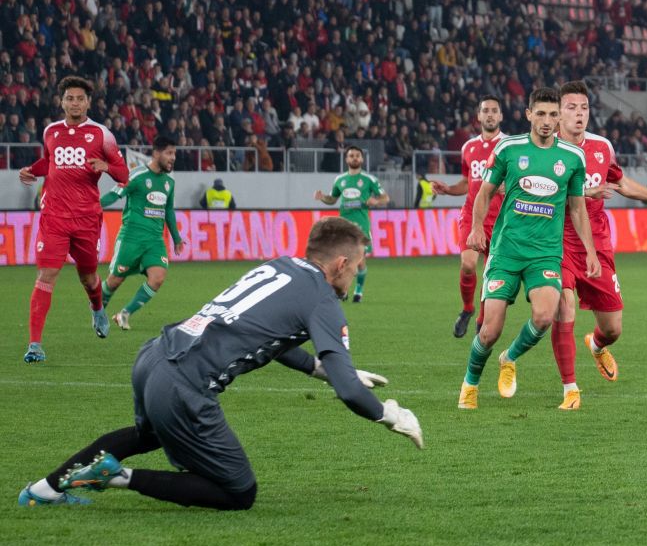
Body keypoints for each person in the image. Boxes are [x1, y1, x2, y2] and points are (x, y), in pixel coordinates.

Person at [17, 217, 422, 510]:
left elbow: (264, 335)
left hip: (155, 355)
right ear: (340, 264)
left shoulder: (279, 265)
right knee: (239, 491)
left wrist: (318, 368)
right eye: (358, 264)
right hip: (184, 382)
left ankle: (44, 489)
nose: (357, 273)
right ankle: (118, 476)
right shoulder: (322, 298)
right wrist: (389, 415)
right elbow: (349, 391)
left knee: (148, 435)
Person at [552, 81, 647, 409]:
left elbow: (622, 183)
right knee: (564, 307)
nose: (579, 114)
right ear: (557, 114)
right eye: (571, 108)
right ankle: (569, 388)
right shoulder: (546, 149)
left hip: (596, 245)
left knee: (613, 328)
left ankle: (597, 346)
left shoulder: (601, 147)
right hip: (555, 242)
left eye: (584, 107)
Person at [457, 87, 598, 410]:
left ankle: (510, 358)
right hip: (506, 251)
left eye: (553, 114)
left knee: (545, 316)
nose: (547, 121)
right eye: (541, 114)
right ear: (528, 114)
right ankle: (470, 383)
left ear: (559, 117)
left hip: (545, 253)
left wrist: (590, 250)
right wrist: (477, 228)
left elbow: (576, 208)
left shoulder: (573, 157)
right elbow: (485, 192)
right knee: (490, 330)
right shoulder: (509, 148)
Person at [18, 76, 130, 363]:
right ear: (62, 101)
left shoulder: (101, 134)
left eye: (80, 98)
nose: (75, 103)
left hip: (86, 219)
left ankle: (96, 308)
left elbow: (123, 173)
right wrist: (32, 169)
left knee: (88, 277)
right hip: (54, 216)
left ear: (88, 102)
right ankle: (34, 345)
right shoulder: (51, 131)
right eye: (70, 98)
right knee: (46, 276)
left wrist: (106, 166)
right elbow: (50, 161)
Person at [430, 96, 505, 338]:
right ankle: (467, 308)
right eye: (486, 111)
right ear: (479, 116)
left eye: (494, 111)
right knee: (468, 264)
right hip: (472, 215)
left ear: (501, 116)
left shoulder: (510, 146)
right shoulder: (469, 148)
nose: (490, 115)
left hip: (501, 219)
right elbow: (467, 182)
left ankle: (481, 319)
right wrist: (447, 189)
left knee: (489, 272)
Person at [99, 136, 186, 331]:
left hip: (154, 240)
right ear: (156, 153)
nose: (173, 158)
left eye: (174, 154)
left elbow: (168, 210)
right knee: (114, 281)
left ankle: (124, 314)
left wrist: (176, 238)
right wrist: (94, 206)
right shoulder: (137, 175)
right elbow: (115, 193)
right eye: (169, 153)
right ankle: (98, 311)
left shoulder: (168, 182)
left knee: (158, 277)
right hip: (131, 237)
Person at [313, 146, 389, 304]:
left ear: (361, 159)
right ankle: (343, 290)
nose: (354, 158)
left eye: (357, 156)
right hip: (344, 227)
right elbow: (333, 199)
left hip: (361, 227)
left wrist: (376, 201)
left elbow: (385, 198)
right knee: (342, 261)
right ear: (346, 159)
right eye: (351, 156)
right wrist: (322, 197)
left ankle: (358, 291)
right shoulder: (340, 180)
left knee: (359, 262)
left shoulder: (369, 180)